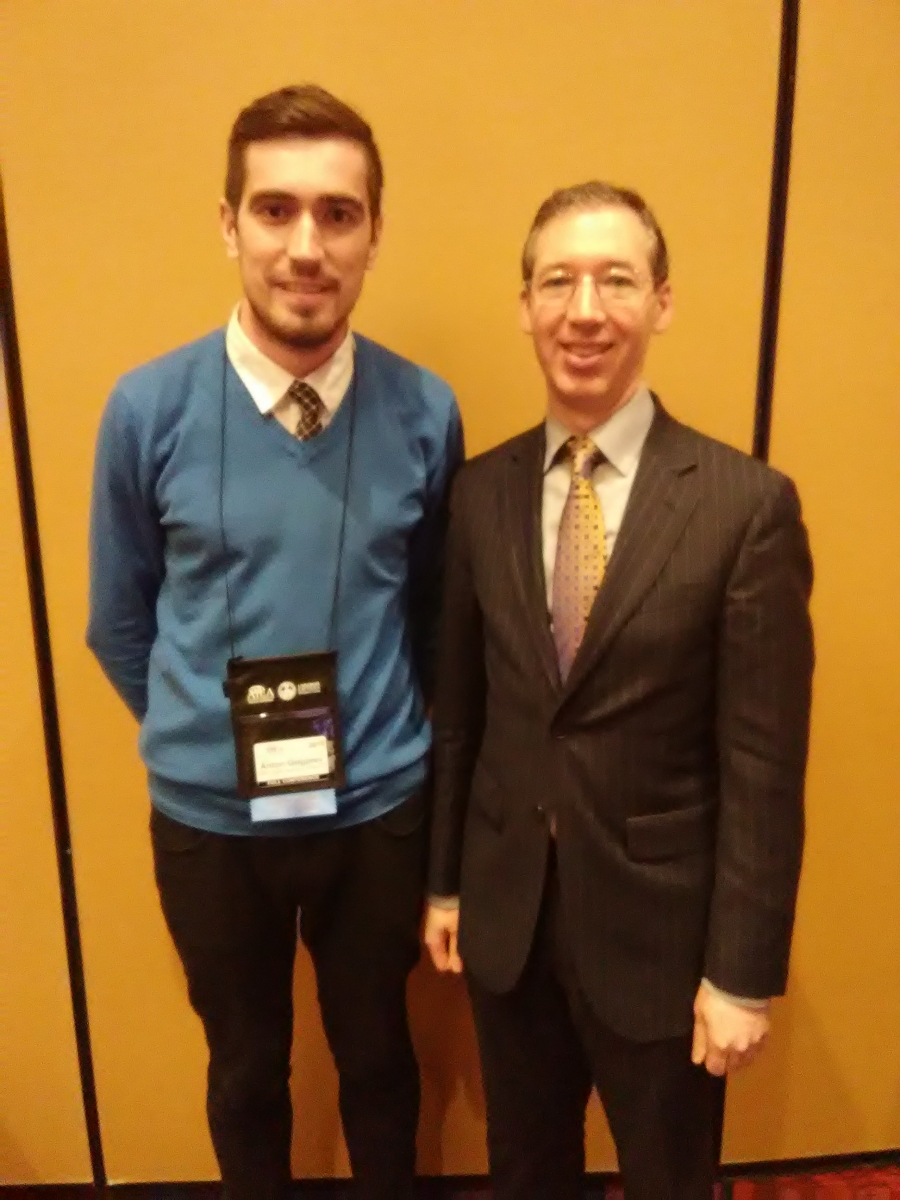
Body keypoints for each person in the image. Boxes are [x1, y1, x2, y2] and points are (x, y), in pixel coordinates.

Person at [88, 84, 463, 1200]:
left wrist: (393, 739)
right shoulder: (145, 410)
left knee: (379, 1057)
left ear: (373, 234)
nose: (307, 246)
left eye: (338, 214)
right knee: (246, 1069)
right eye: (275, 209)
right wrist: (201, 733)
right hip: (212, 823)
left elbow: (434, 609)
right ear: (229, 223)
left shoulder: (425, 410)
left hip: (379, 809)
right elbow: (120, 619)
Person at [424, 181, 813, 1200]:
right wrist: (446, 883)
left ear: (662, 302)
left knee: (670, 1181)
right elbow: (461, 714)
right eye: (558, 281)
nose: (585, 310)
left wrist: (742, 974)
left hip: (664, 943)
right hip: (510, 922)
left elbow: (764, 770)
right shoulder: (479, 492)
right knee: (525, 1173)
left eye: (616, 280)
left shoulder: (745, 508)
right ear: (525, 306)